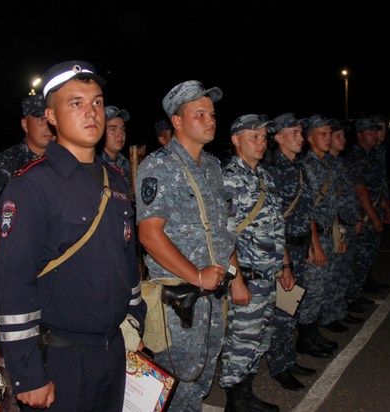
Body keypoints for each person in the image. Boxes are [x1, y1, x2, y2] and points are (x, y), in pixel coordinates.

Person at [0, 60, 146, 412]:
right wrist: (27, 374)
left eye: (96, 102)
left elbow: (127, 258)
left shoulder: (117, 181)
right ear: (51, 116)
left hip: (113, 347)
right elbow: (13, 284)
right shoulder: (30, 186)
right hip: (62, 357)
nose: (91, 112)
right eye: (75, 103)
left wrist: (136, 319)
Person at [136, 80, 242, 412]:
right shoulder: (159, 166)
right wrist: (196, 275)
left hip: (213, 296)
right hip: (180, 301)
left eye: (212, 114)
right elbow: (150, 235)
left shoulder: (211, 166)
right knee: (177, 387)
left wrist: (234, 274)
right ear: (177, 122)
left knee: (198, 384)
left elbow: (224, 229)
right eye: (200, 114)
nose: (210, 120)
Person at [219, 114, 287, 412]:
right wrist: (236, 281)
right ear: (236, 140)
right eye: (254, 137)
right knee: (241, 342)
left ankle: (247, 395)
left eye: (264, 137)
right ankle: (236, 402)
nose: (262, 143)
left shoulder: (264, 176)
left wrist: (284, 265)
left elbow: (275, 224)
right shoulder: (228, 178)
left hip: (267, 276)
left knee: (259, 340)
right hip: (246, 277)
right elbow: (224, 236)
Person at [265, 113, 318, 389]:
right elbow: (276, 221)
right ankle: (278, 366)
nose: (300, 138)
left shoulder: (300, 168)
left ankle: (288, 359)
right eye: (294, 133)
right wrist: (286, 259)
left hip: (300, 248)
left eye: (300, 132)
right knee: (282, 313)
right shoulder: (274, 172)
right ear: (279, 138)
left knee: (292, 309)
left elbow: (304, 211)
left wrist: (309, 244)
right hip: (284, 251)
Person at [0, 94, 55, 249]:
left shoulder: (66, 162)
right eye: (40, 119)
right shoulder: (5, 165)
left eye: (51, 118)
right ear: (25, 125)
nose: (47, 126)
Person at [300, 115, 345, 351]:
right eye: (323, 134)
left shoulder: (326, 163)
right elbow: (308, 212)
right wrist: (315, 245)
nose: (328, 139)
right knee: (313, 290)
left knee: (323, 287)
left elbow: (332, 203)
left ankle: (313, 333)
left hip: (329, 235)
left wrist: (339, 235)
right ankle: (306, 339)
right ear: (310, 138)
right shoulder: (307, 166)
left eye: (329, 134)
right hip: (317, 237)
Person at [346, 118, 390, 307]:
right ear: (360, 135)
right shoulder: (355, 157)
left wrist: (386, 208)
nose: (375, 135)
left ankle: (356, 293)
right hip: (363, 218)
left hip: (373, 213)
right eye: (370, 132)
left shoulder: (372, 156)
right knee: (358, 259)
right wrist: (374, 218)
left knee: (367, 258)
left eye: (376, 131)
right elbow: (361, 191)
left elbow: (377, 188)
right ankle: (349, 298)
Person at [324, 120, 364, 327]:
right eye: (337, 136)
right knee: (333, 273)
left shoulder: (344, 163)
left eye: (343, 136)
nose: (342, 139)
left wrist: (357, 218)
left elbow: (352, 195)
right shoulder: (325, 164)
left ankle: (339, 310)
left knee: (344, 271)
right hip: (335, 227)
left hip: (349, 223)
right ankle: (329, 315)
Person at [100, 106, 131, 187]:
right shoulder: (95, 164)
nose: (120, 135)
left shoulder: (128, 165)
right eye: (112, 130)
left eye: (123, 129)